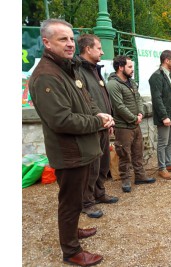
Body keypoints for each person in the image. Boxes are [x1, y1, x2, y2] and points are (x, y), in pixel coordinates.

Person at [28, 19, 113, 266]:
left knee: (74, 199)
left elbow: (85, 101)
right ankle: (71, 251)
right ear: (46, 42)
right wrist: (98, 123)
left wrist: (98, 114)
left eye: (71, 39)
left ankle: (72, 232)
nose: (69, 44)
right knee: (69, 202)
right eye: (62, 39)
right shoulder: (46, 76)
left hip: (81, 149)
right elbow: (61, 121)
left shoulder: (65, 68)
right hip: (70, 152)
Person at [76, 34, 119, 218]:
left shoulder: (94, 69)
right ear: (88, 49)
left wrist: (109, 120)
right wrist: (99, 120)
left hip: (102, 125)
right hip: (92, 126)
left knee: (102, 165)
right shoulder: (78, 70)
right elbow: (85, 101)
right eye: (99, 48)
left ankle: (99, 193)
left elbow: (102, 98)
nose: (102, 51)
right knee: (91, 168)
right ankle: (87, 202)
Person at [107, 55, 156, 192]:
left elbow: (138, 99)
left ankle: (140, 176)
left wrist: (140, 113)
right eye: (129, 67)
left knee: (137, 151)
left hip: (136, 124)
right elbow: (118, 106)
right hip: (123, 127)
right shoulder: (113, 84)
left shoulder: (131, 82)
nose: (132, 70)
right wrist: (133, 118)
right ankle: (126, 180)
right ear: (120, 67)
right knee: (124, 154)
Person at [149, 50, 171, 179]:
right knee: (163, 142)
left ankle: (169, 163)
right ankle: (162, 168)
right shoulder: (156, 76)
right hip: (165, 115)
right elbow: (157, 99)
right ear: (166, 60)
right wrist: (164, 116)